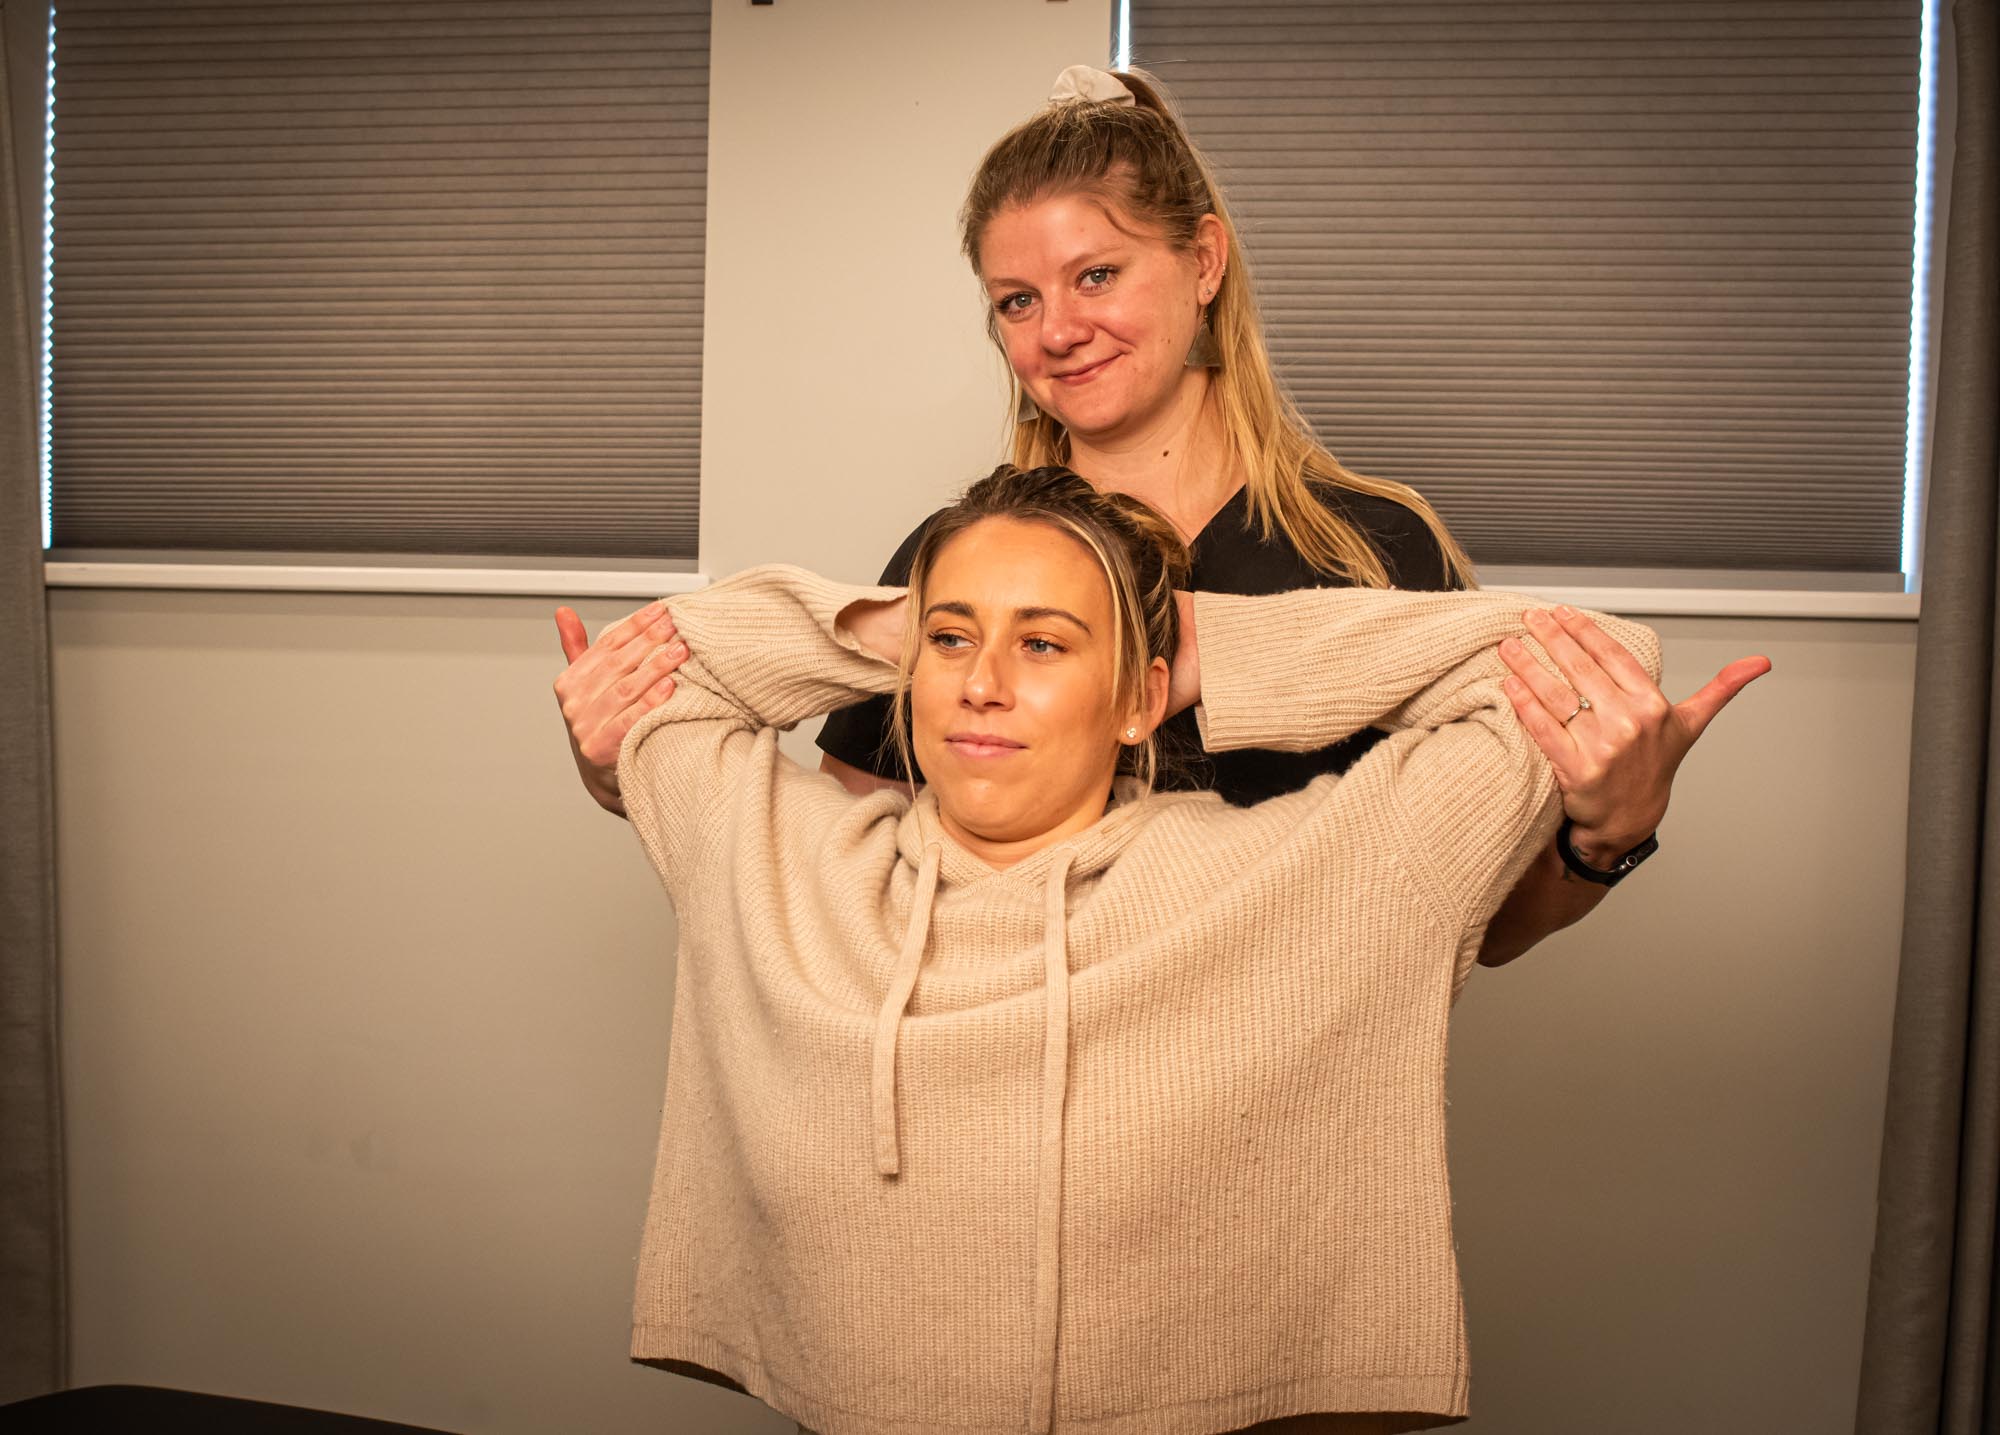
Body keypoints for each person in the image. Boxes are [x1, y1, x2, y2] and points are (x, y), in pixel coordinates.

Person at [554, 65, 1769, 967]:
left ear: (1202, 262)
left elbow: (1477, 926)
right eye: (1015, 300)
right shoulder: (961, 560)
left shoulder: (1374, 550)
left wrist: (1604, 835)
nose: (1057, 330)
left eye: (1096, 275)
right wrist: (635, 774)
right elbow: (844, 882)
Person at [611, 462, 1676, 1434]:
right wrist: (905, 620)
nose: (982, 682)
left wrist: (1209, 645)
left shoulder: (1306, 877)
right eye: (951, 642)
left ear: (1139, 697)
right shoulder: (775, 857)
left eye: (1043, 644)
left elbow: (1591, 661)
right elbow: (670, 664)